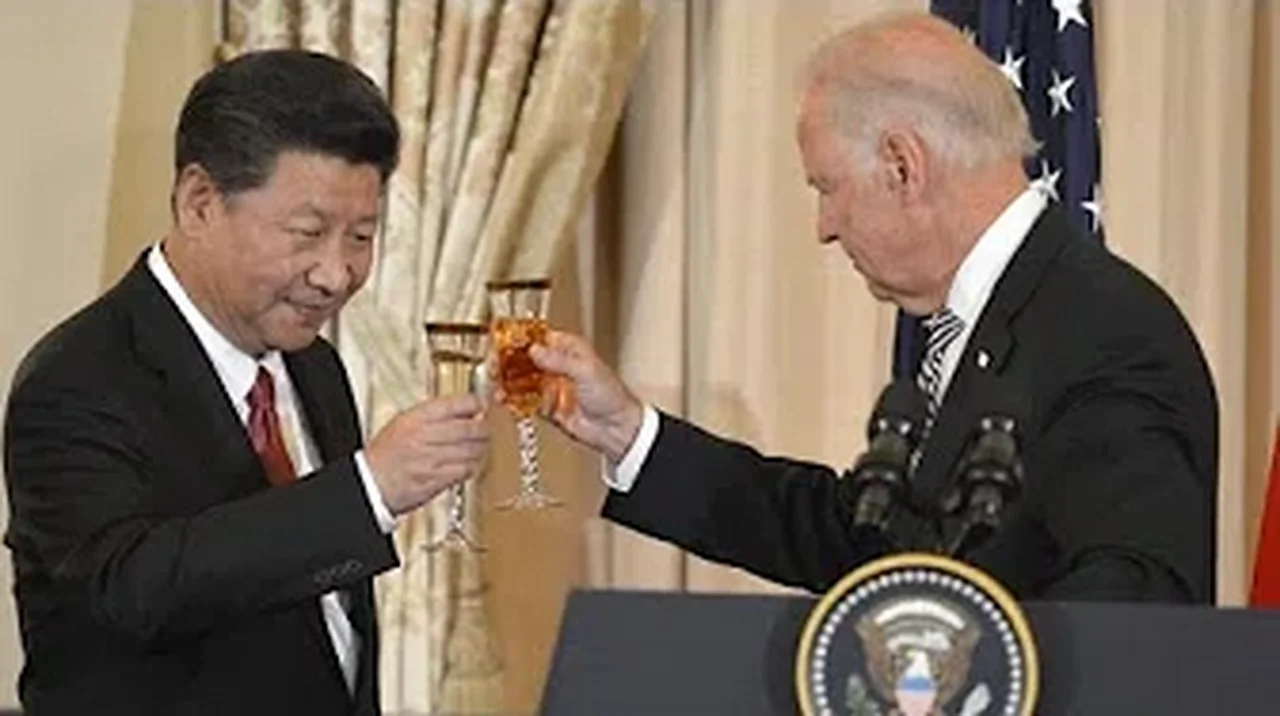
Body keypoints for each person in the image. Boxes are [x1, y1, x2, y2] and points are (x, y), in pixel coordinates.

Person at [528, 12, 1218, 603]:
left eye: (827, 187)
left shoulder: (1105, 333)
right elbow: (873, 547)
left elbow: (1135, 606)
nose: (823, 228)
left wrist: (959, 669)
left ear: (902, 165)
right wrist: (628, 433)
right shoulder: (995, 312)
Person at [2, 50, 490, 715]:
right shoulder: (77, 380)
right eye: (308, 233)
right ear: (199, 202)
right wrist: (368, 490)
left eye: (361, 236)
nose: (336, 275)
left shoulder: (314, 365)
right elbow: (134, 591)